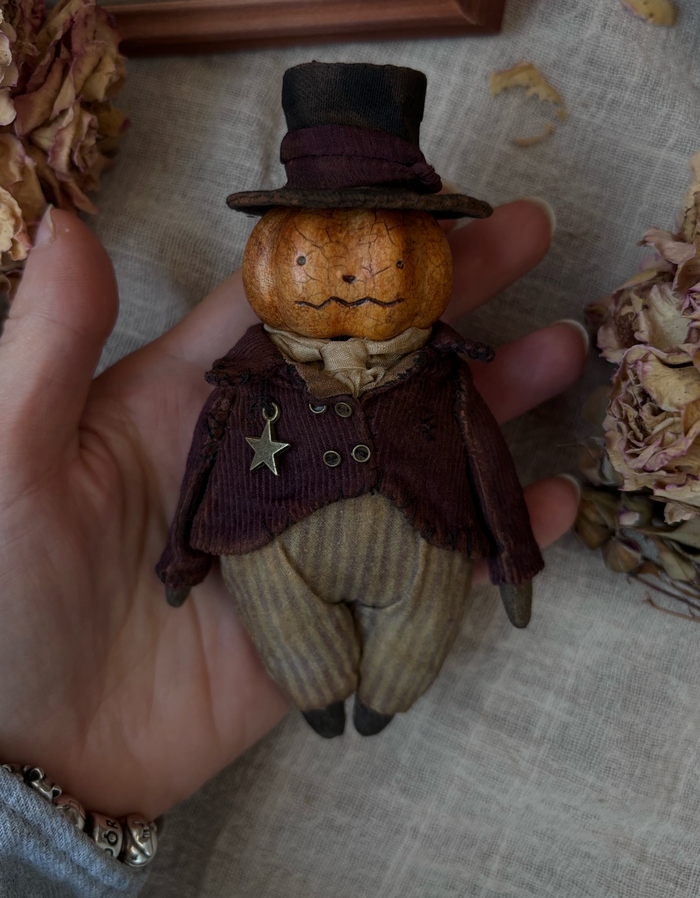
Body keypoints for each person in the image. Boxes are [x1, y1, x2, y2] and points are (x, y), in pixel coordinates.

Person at [0, 199, 585, 895]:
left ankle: (384, 695)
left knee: (418, 631)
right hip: (265, 543)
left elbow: (486, 460)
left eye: (391, 259)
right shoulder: (246, 376)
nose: (352, 281)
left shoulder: (445, 375)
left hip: (429, 537)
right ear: (273, 263)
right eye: (308, 259)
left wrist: (512, 555)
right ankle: (323, 692)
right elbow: (202, 462)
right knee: (293, 632)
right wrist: (183, 555)